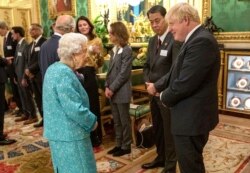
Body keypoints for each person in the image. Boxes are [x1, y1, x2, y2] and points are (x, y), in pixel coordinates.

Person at [160, 3, 220, 173]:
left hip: (191, 119)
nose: (169, 29)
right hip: (189, 117)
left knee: (190, 166)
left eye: (172, 23)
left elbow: (185, 83)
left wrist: (164, 96)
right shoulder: (195, 39)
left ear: (185, 20)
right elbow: (178, 72)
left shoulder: (201, 41)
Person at [43, 32, 98, 173]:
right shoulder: (63, 73)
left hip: (59, 134)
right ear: (74, 53)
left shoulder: (53, 68)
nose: (86, 55)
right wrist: (92, 121)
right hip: (71, 136)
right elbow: (74, 108)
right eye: (84, 51)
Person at [142, 5, 180, 172]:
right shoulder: (152, 41)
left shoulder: (175, 39)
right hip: (152, 92)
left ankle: (170, 165)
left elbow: (174, 70)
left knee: (168, 131)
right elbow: (146, 66)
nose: (154, 25)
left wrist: (157, 86)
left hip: (165, 93)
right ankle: (160, 157)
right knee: (157, 127)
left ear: (166, 18)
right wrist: (147, 82)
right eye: (151, 22)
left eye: (157, 20)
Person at [39, 15, 75, 127]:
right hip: (64, 92)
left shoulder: (44, 44)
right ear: (70, 29)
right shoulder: (64, 45)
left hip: (48, 89)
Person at [105, 22, 133, 157]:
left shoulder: (127, 50)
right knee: (116, 120)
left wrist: (112, 88)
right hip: (112, 90)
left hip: (121, 91)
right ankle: (118, 144)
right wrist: (106, 86)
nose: (109, 36)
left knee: (124, 120)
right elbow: (109, 71)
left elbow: (124, 74)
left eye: (111, 33)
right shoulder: (114, 49)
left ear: (118, 33)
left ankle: (126, 145)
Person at [75, 16, 104, 147]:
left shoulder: (96, 40)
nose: (83, 27)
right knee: (80, 105)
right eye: (80, 25)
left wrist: (98, 54)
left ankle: (96, 136)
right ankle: (83, 135)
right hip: (77, 73)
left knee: (92, 105)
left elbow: (100, 62)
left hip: (90, 73)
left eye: (85, 24)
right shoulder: (75, 41)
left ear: (90, 26)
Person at [11, 26, 38, 125]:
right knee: (22, 95)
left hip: (23, 75)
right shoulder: (18, 45)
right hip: (18, 75)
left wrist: (24, 77)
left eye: (13, 33)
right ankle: (26, 113)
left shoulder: (25, 44)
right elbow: (17, 61)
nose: (12, 36)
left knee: (27, 95)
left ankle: (33, 115)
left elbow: (27, 62)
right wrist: (15, 75)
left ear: (18, 34)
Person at [24, 24, 47, 128]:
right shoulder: (30, 45)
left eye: (33, 29)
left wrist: (31, 69)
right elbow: (28, 61)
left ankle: (49, 119)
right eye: (30, 30)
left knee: (45, 99)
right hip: (32, 77)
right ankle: (43, 118)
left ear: (40, 30)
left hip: (41, 75)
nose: (31, 31)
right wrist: (27, 72)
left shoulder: (45, 42)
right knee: (38, 99)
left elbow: (41, 59)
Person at [0, 21, 21, 116]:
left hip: (14, 66)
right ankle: (20, 108)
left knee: (17, 88)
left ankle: (22, 109)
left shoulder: (11, 37)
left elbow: (17, 52)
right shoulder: (5, 38)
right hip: (8, 66)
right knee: (13, 88)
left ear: (3, 28)